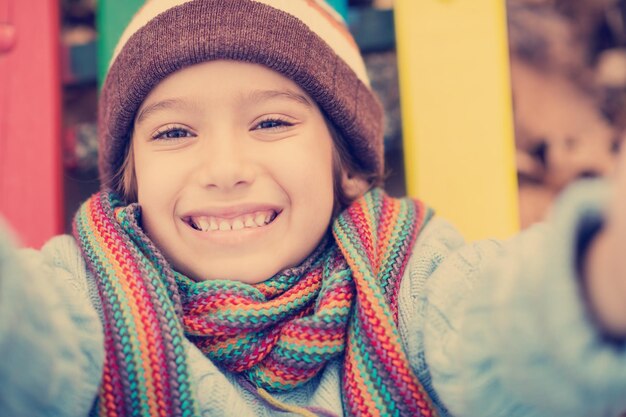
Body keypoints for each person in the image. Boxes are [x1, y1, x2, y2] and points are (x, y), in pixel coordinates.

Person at [1, 1, 625, 416]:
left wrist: (597, 278)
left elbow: (506, 327)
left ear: (344, 163)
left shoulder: (410, 278)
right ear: (130, 179)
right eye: (173, 133)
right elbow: (22, 345)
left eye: (270, 122)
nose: (223, 170)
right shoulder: (83, 301)